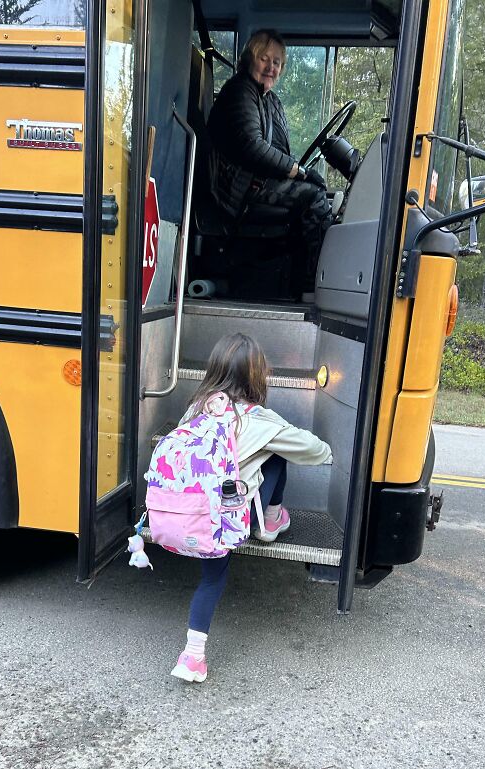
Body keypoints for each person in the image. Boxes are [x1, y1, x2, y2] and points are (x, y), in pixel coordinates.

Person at [171, 333, 332, 682]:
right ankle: (270, 523)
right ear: (257, 376)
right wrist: (277, 439)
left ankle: (192, 657)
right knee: (276, 457)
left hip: (190, 512)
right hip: (226, 518)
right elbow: (317, 451)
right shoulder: (259, 420)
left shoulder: (195, 410)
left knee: (211, 581)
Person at [207, 29, 332, 302]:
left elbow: (279, 151)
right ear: (250, 58)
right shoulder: (240, 91)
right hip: (238, 191)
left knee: (320, 194)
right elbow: (253, 147)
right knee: (316, 201)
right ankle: (313, 291)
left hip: (256, 182)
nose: (271, 67)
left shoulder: (269, 100)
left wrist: (300, 172)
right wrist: (297, 171)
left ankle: (294, 283)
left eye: (277, 62)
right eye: (265, 58)